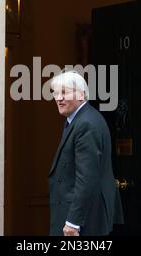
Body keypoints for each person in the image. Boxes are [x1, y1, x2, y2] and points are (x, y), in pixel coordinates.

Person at [49, 70, 124, 236]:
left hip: (84, 222)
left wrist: (73, 222)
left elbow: (87, 177)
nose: (58, 98)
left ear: (82, 94)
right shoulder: (78, 119)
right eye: (55, 93)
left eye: (64, 92)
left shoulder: (86, 124)